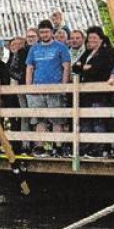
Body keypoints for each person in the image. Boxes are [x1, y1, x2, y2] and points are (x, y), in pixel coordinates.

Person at [25, 19, 72, 156]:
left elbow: (66, 66)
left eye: (46, 32)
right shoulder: (34, 48)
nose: (44, 34)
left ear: (52, 32)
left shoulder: (60, 47)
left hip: (55, 87)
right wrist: (29, 87)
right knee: (39, 119)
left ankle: (58, 146)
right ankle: (40, 147)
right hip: (38, 87)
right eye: (42, 32)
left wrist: (63, 85)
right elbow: (29, 67)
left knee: (57, 119)